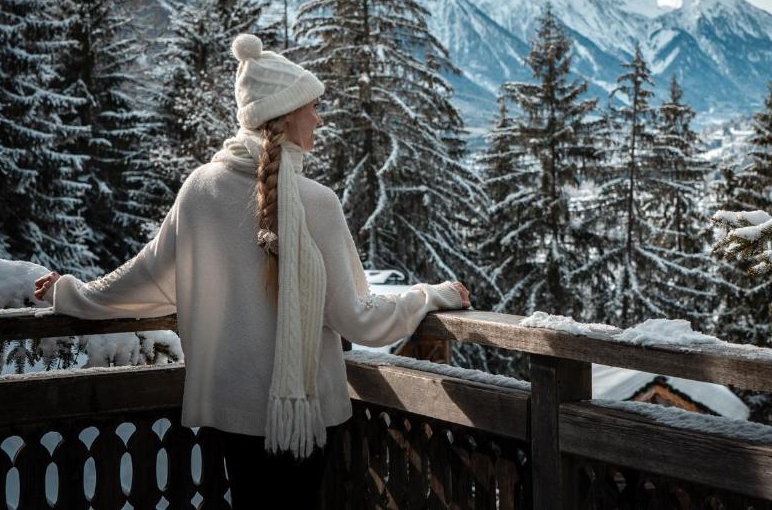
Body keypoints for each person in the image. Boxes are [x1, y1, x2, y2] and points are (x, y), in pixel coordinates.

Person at [34, 33, 471, 508]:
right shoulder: (317, 204)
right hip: (304, 422)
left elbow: (148, 278)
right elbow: (359, 318)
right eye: (312, 108)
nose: (319, 119)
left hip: (230, 415)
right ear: (284, 116)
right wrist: (429, 296)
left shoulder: (200, 189)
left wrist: (70, 292)